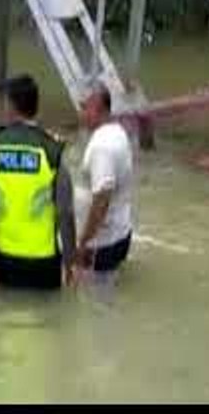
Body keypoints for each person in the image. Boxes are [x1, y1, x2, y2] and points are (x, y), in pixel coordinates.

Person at [0, 75, 77, 290]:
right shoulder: (51, 149)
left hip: (3, 257)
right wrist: (71, 263)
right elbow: (65, 211)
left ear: (10, 105)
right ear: (36, 106)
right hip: (43, 262)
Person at [75, 84, 135, 275]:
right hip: (119, 232)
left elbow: (102, 199)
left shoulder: (102, 147)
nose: (80, 113)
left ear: (96, 107)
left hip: (101, 245)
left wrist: (83, 242)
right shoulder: (118, 132)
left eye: (84, 107)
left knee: (93, 300)